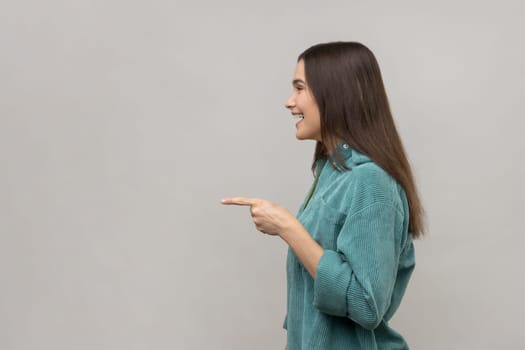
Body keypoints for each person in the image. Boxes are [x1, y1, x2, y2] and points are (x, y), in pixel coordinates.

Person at [221, 41, 424, 350]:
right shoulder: (332, 172)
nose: (289, 102)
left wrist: (289, 228)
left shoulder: (371, 181)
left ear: (335, 92)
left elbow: (366, 305)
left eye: (300, 88)